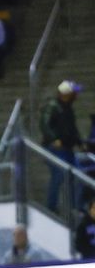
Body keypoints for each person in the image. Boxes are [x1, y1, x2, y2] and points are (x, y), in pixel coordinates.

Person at [40, 80, 83, 210]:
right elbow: (44, 124)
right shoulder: (52, 106)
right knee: (58, 174)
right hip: (55, 148)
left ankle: (74, 207)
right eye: (74, 92)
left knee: (78, 175)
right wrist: (54, 139)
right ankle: (52, 206)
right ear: (66, 94)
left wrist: (80, 143)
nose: (76, 95)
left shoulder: (68, 108)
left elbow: (72, 129)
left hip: (67, 148)